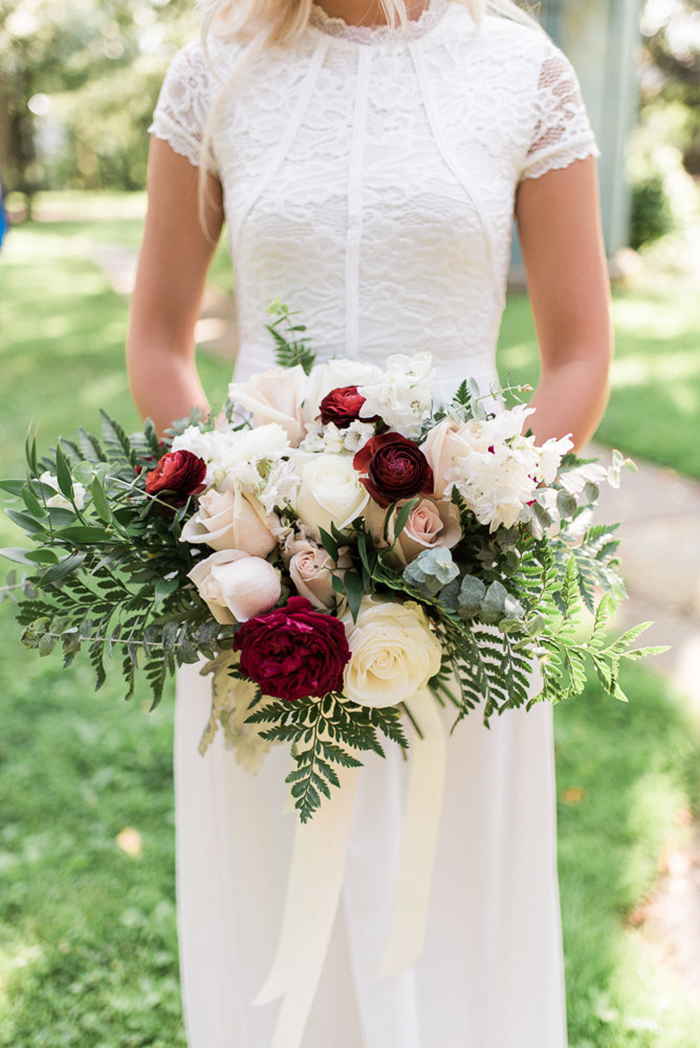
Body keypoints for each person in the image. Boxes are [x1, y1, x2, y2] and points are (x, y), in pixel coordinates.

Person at [126, 1, 612, 1045]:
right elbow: (159, 340)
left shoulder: (522, 68)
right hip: (259, 581)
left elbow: (578, 352)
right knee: (275, 891)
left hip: (470, 575)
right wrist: (232, 505)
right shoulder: (215, 66)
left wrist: (489, 511)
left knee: (455, 895)